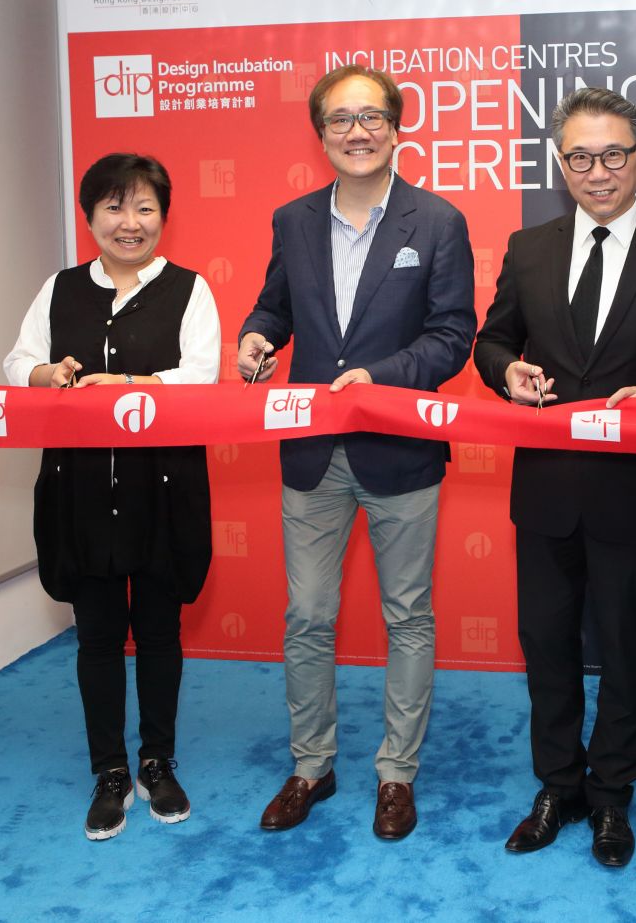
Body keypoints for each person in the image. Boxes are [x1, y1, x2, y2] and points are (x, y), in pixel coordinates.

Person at [473, 87, 636, 868]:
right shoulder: (528, 248)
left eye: (613, 154)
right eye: (580, 157)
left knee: (624, 651)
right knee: (546, 647)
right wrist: (507, 372)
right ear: (561, 164)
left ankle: (612, 793)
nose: (597, 171)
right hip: (546, 491)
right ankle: (559, 785)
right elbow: (492, 341)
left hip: (633, 492)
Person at [238, 65, 475, 841]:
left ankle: (397, 772)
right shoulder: (292, 220)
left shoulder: (437, 221)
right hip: (312, 452)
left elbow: (453, 335)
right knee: (307, 614)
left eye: (371, 116)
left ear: (396, 127)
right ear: (321, 135)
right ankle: (312, 764)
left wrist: (382, 379)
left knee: (408, 614)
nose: (357, 131)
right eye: (339, 119)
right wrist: (257, 337)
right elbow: (275, 305)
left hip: (399, 449)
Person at [4, 152, 221, 840]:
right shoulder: (60, 288)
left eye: (145, 208)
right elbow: (16, 362)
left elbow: (202, 376)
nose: (131, 222)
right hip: (82, 491)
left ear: (164, 217)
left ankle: (157, 760)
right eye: (115, 207)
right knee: (96, 637)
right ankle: (110, 771)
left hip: (163, 489)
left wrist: (128, 385)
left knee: (159, 632)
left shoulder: (190, 289)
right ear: (91, 216)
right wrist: (47, 374)